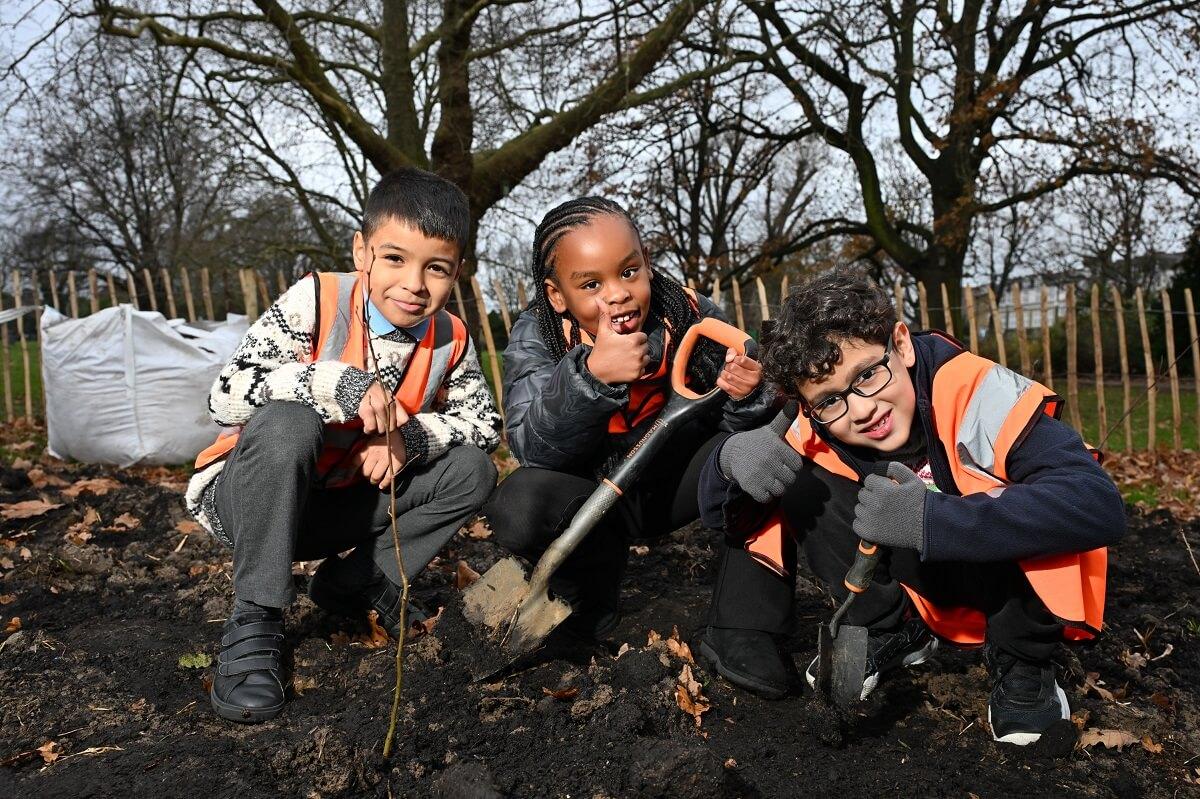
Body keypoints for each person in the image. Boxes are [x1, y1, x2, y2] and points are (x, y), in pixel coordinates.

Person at [697, 267, 1124, 745]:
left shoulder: (979, 392)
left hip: (1012, 594)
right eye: (831, 400)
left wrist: (929, 519)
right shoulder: (813, 422)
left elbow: (1097, 506)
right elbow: (721, 519)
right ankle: (890, 628)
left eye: (867, 376)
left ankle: (1024, 664)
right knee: (798, 482)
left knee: (1041, 503)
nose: (861, 410)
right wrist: (726, 463)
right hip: (925, 584)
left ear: (900, 343)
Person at [185, 167, 501, 723]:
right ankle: (255, 619)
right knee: (288, 424)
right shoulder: (318, 298)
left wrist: (411, 437)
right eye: (395, 258)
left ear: (457, 273)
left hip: (339, 505)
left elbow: (486, 423)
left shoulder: (451, 335)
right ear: (362, 252)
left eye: (436, 268)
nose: (414, 284)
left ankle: (356, 583)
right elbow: (224, 397)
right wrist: (331, 382)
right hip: (252, 502)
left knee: (472, 470)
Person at [483, 196, 775, 640]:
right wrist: (590, 379)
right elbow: (532, 447)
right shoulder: (537, 335)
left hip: (675, 485)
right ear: (557, 295)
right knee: (518, 506)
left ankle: (745, 624)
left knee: (763, 451)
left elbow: (736, 427)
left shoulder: (690, 314)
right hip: (592, 495)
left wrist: (748, 396)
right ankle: (588, 597)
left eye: (627, 271)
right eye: (591, 285)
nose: (617, 293)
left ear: (647, 262)